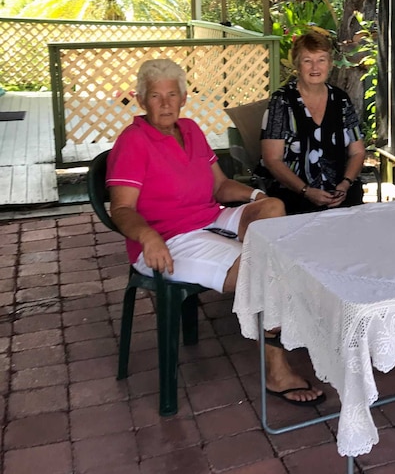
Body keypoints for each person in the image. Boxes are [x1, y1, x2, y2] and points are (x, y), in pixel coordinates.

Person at [107, 58, 325, 406]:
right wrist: (147, 236)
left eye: (172, 95)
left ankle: (277, 306)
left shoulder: (190, 129)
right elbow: (121, 209)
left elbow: (221, 187)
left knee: (272, 210)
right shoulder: (133, 142)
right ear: (141, 100)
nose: (165, 104)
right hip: (167, 240)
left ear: (183, 98)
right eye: (155, 96)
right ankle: (277, 366)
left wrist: (257, 196)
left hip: (208, 218)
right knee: (264, 267)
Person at [259, 31, 365, 213]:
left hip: (340, 193)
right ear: (297, 65)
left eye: (321, 60)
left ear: (330, 64)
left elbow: (358, 152)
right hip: (294, 195)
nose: (315, 67)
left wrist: (345, 184)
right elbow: (272, 160)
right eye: (307, 60)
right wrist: (306, 191)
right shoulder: (282, 101)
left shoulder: (341, 100)